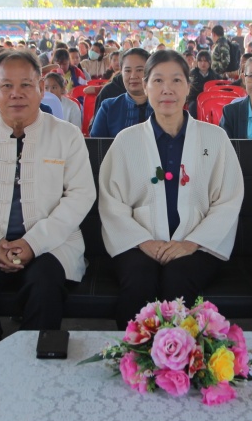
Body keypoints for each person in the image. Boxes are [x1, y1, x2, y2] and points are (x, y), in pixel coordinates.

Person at [0, 49, 95, 361]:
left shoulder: (66, 135)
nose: (16, 94)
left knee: (46, 286)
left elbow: (81, 195)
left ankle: (31, 371)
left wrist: (32, 243)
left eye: (26, 85)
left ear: (41, 88)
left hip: (52, 244)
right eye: (6, 86)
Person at [98, 49, 244, 328]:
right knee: (140, 280)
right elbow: (111, 202)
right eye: (158, 81)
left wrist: (192, 243)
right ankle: (133, 351)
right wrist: (144, 242)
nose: (167, 89)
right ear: (145, 86)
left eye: (176, 80)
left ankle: (180, 352)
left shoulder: (215, 138)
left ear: (189, 87)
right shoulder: (126, 141)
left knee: (179, 277)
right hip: (137, 245)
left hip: (198, 245)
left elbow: (228, 200)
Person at [90, 48, 152, 138]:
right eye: (127, 71)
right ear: (121, 72)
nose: (133, 76)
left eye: (139, 70)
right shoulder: (108, 107)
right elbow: (97, 143)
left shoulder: (163, 105)